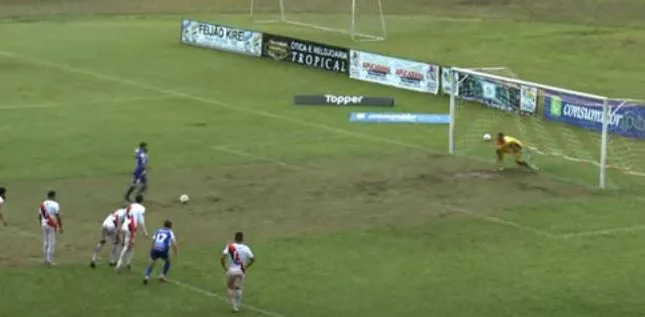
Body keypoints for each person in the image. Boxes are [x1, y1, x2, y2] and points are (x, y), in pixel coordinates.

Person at [220, 232, 255, 313]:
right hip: (241, 270)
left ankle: (233, 304)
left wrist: (225, 268)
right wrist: (246, 267)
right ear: (242, 239)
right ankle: (237, 305)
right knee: (238, 287)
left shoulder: (230, 246)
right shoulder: (246, 248)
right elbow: (252, 259)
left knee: (230, 287)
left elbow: (222, 258)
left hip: (231, 270)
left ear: (235, 238)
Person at [115, 195, 148, 271]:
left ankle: (128, 262)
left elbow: (123, 215)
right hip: (131, 228)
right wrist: (145, 232)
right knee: (127, 246)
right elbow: (141, 222)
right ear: (142, 201)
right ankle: (119, 263)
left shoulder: (130, 205)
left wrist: (119, 226)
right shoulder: (142, 208)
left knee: (129, 245)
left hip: (124, 226)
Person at [143, 220, 178, 284]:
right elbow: (174, 243)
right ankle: (162, 276)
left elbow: (153, 240)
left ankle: (146, 276)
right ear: (170, 226)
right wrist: (175, 251)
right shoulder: (170, 232)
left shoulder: (158, 230)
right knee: (168, 262)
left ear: (164, 225)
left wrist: (152, 248)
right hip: (163, 250)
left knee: (152, 263)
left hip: (155, 249)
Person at [39, 190, 62, 266]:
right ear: (52, 196)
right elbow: (58, 216)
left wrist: (41, 223)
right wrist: (60, 226)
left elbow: (39, 215)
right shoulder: (55, 204)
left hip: (44, 223)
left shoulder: (43, 203)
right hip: (51, 224)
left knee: (46, 241)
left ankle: (45, 259)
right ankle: (50, 260)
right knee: (52, 242)